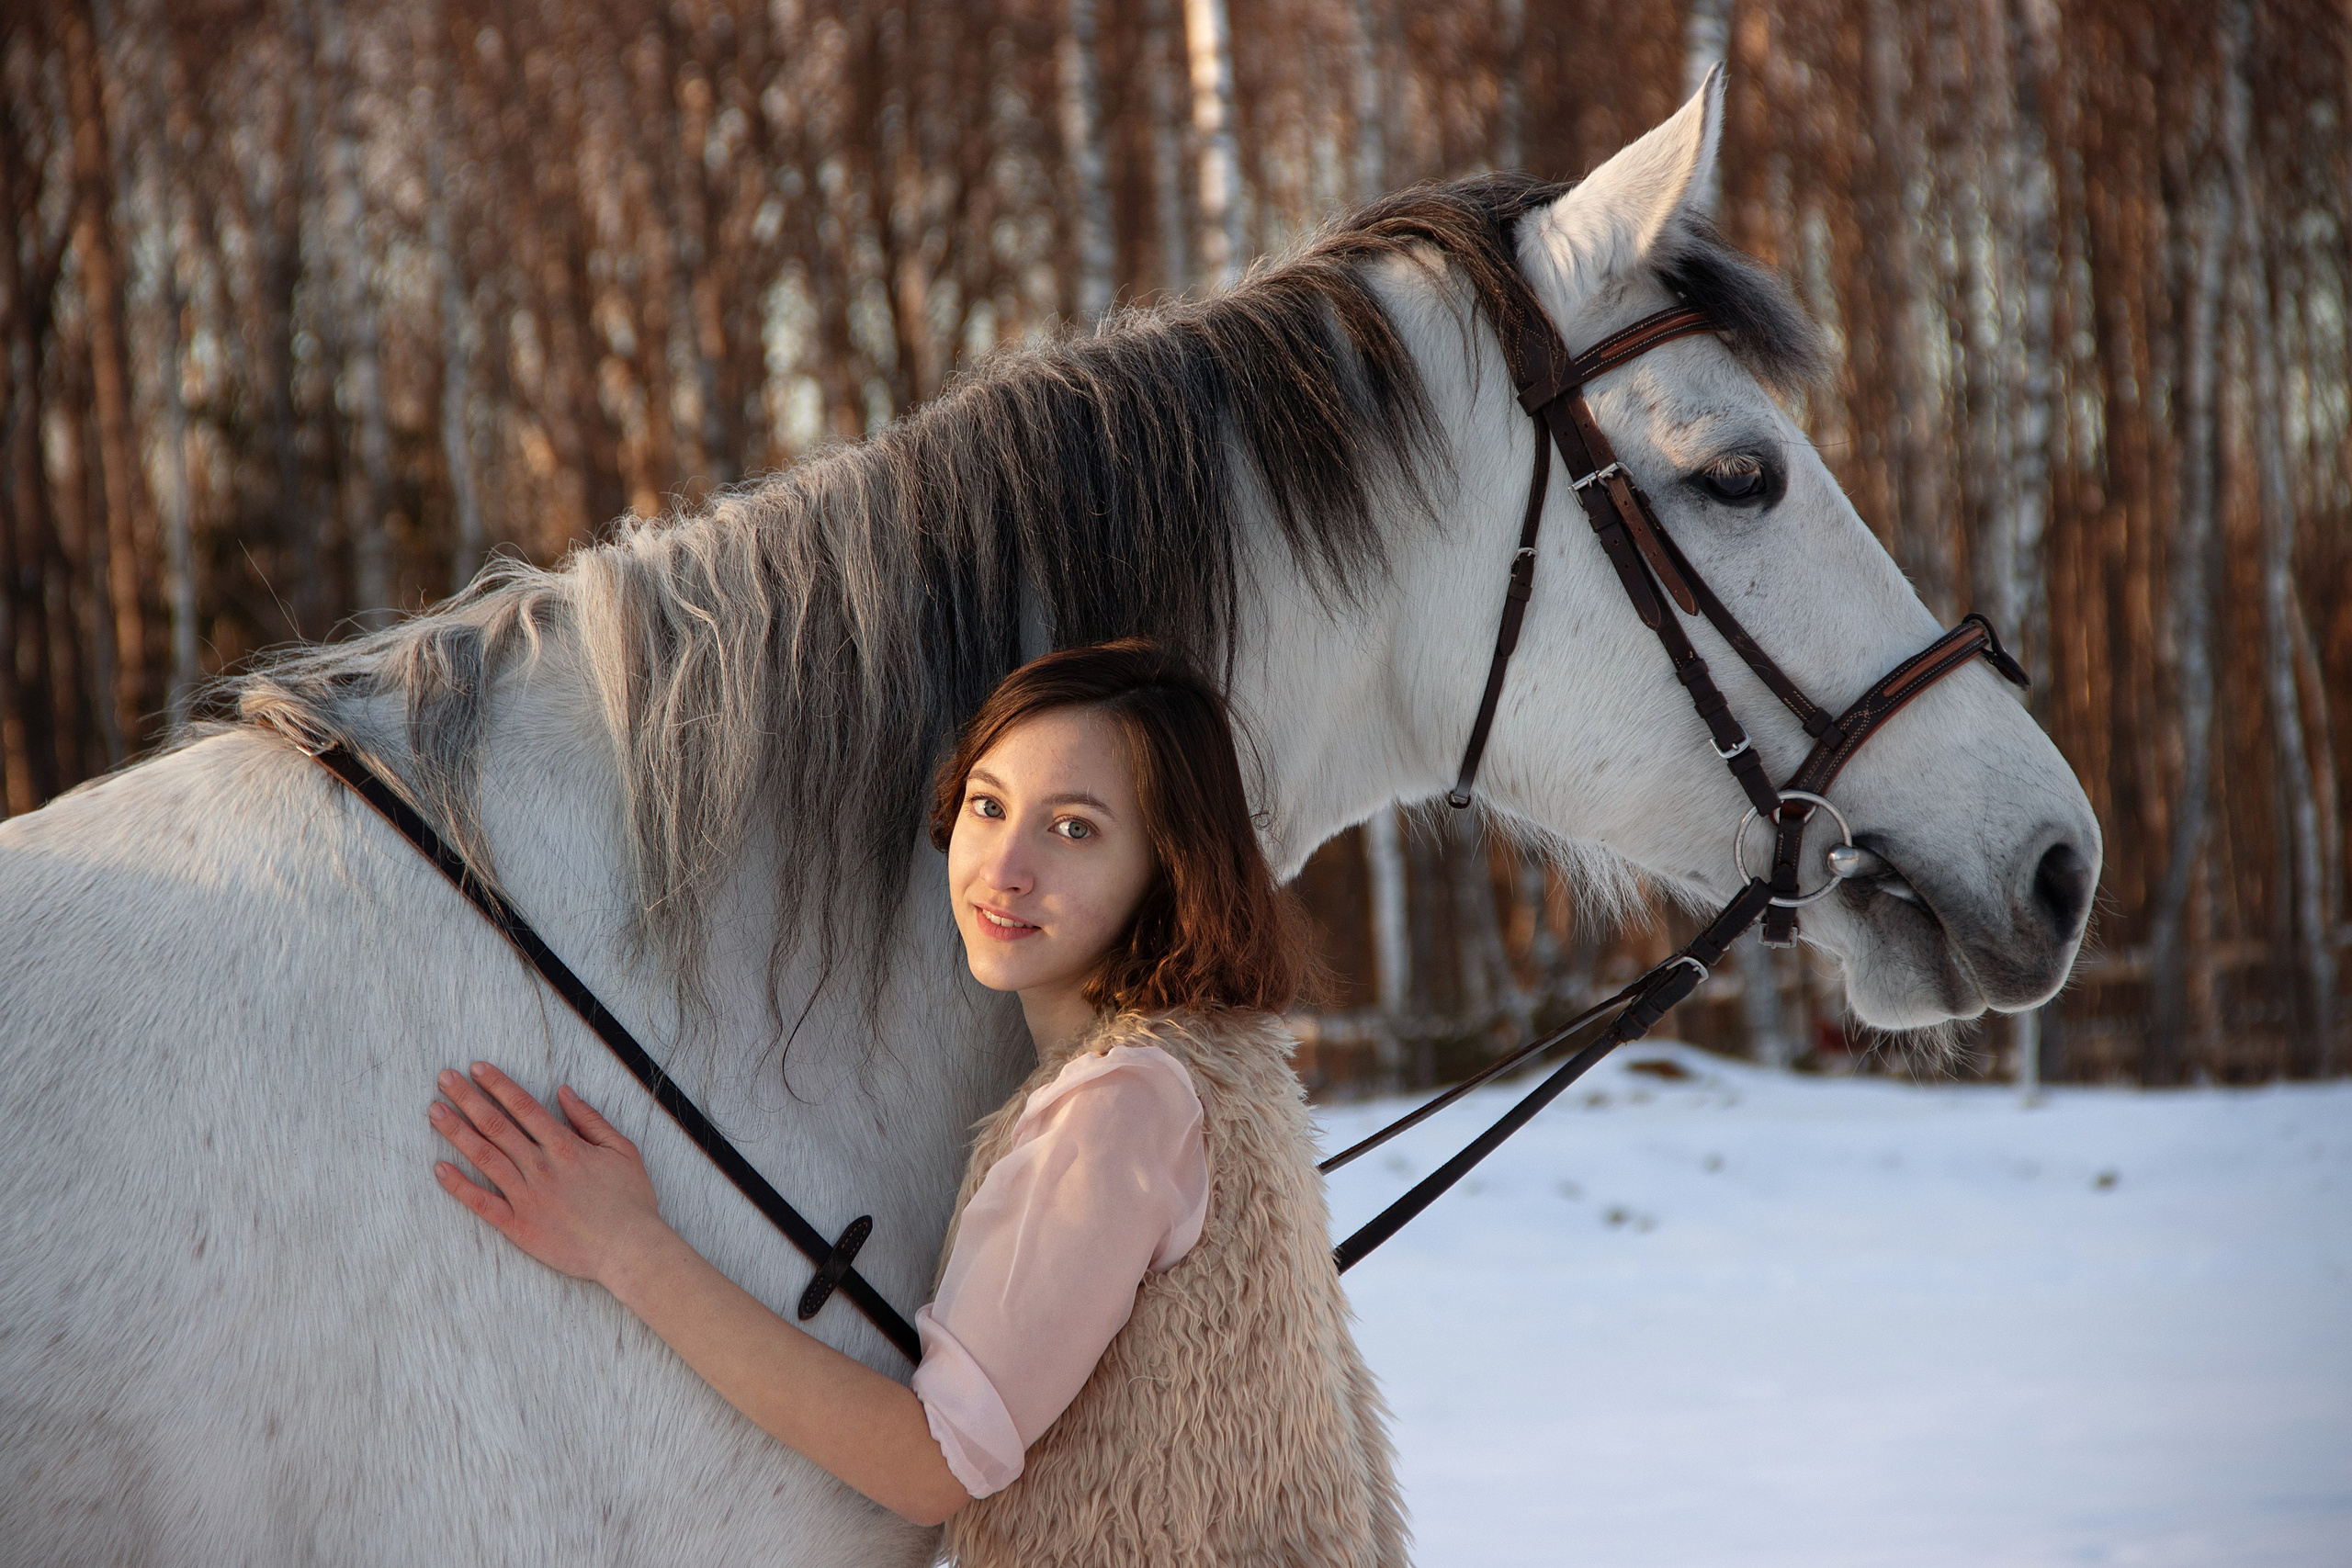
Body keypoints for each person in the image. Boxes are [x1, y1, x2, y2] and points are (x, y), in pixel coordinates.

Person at [427, 637, 1407, 1564]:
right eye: (988, 806)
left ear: (1167, 866)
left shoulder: (1121, 1105)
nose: (1005, 867)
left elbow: (929, 1464)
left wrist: (623, 1248)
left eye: (1074, 829)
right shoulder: (1213, 1064)